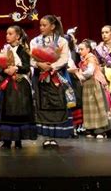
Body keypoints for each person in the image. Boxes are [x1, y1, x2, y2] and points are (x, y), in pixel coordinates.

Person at [30, 15, 74, 148]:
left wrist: (52, 67)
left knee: (56, 104)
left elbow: (65, 58)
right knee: (42, 105)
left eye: (44, 25)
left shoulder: (62, 41)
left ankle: (54, 136)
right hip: (41, 76)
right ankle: (45, 136)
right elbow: (31, 59)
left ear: (53, 26)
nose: (41, 28)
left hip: (57, 76)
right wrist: (40, 65)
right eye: (40, 25)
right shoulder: (35, 41)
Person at [0, 26, 37, 149]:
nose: (7, 36)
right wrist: (5, 70)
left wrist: (16, 68)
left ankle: (18, 140)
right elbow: (0, 68)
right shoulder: (5, 49)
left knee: (19, 111)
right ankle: (7, 140)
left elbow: (26, 67)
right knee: (6, 110)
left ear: (17, 36)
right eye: (6, 33)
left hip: (20, 84)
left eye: (10, 33)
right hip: (8, 84)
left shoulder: (23, 50)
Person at [76, 40, 111, 139]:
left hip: (94, 84)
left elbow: (90, 71)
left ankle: (100, 130)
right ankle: (90, 129)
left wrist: (78, 75)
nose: (80, 51)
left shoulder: (91, 57)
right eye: (79, 49)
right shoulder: (83, 59)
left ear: (88, 49)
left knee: (97, 107)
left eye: (82, 49)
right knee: (88, 108)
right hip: (87, 85)